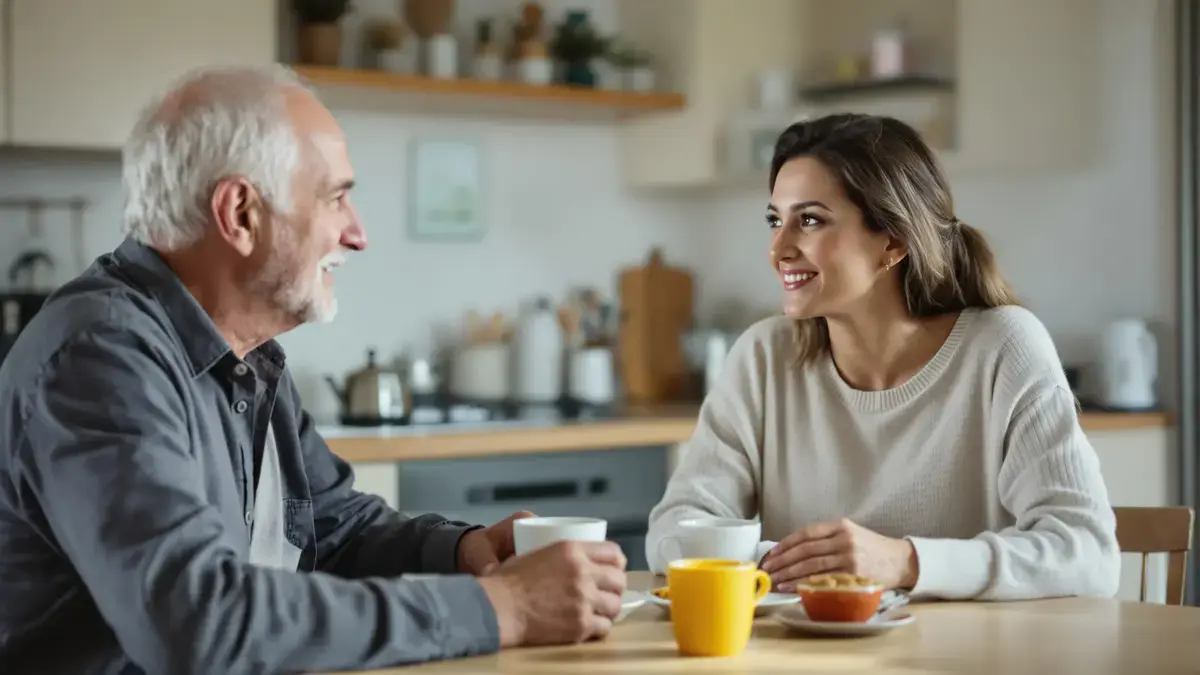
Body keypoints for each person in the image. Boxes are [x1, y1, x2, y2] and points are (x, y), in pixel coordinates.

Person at [0, 65, 627, 674]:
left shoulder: (246, 355)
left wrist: (462, 551)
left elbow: (329, 527)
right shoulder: (101, 359)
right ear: (240, 213)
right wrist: (504, 607)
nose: (357, 234)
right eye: (336, 199)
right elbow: (199, 621)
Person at [645, 113, 1121, 601]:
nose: (778, 249)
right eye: (774, 221)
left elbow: (1088, 556)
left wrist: (904, 562)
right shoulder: (763, 358)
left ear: (893, 241)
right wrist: (788, 564)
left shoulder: (1003, 348)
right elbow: (674, 528)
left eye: (809, 221)